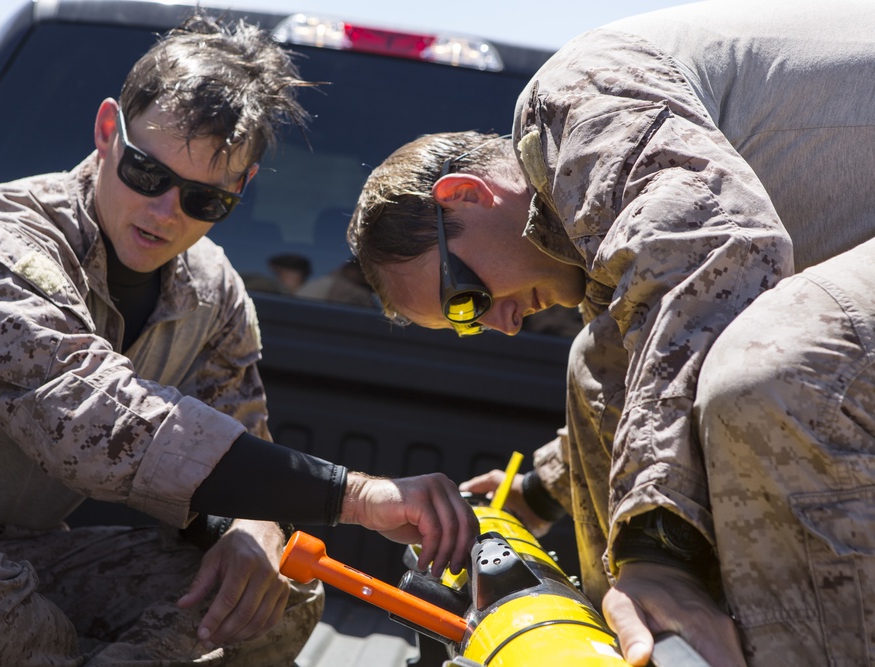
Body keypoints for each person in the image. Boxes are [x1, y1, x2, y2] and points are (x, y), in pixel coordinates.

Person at [0, 13, 478, 666]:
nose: (165, 212)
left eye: (203, 200)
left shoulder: (211, 289)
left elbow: (239, 447)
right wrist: (358, 496)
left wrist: (248, 530)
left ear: (240, 190)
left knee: (271, 589)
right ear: (109, 131)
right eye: (146, 173)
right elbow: (97, 423)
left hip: (27, 550)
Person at [346, 1, 875, 665]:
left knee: (771, 370)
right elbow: (648, 354)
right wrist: (540, 491)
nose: (499, 323)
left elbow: (709, 255)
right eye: (468, 323)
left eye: (465, 298)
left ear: (466, 195)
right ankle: (648, 641)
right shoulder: (593, 249)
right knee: (597, 361)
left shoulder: (575, 95)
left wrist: (656, 543)